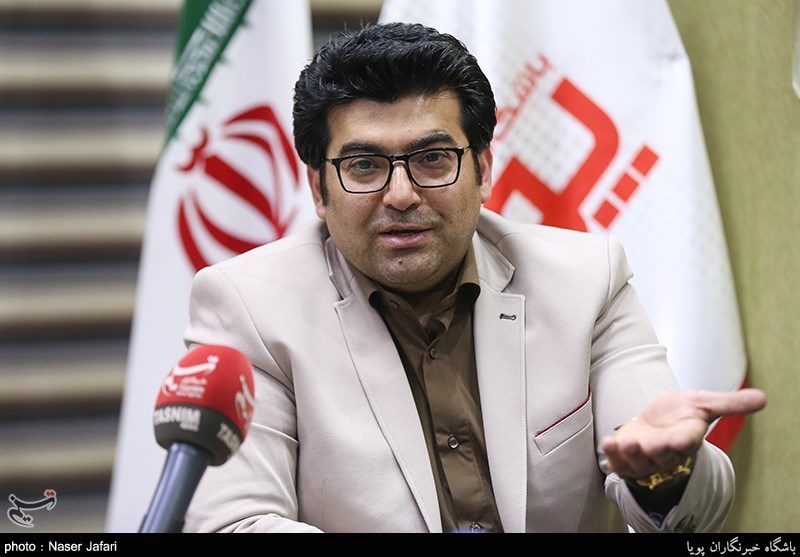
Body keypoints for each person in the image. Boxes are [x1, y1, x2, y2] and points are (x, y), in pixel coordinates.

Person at [181, 22, 766, 533]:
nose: (401, 195)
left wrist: (666, 475)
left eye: (432, 158)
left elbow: (692, 509)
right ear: (319, 188)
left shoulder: (586, 281)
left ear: (483, 169)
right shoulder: (250, 307)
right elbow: (234, 522)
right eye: (364, 166)